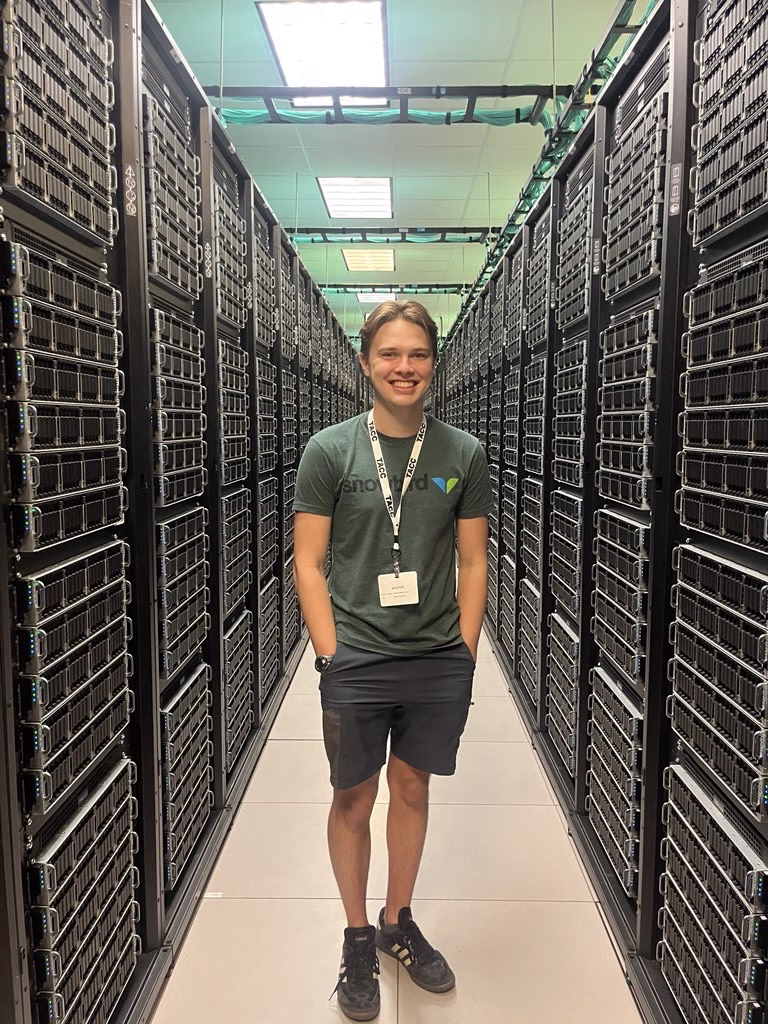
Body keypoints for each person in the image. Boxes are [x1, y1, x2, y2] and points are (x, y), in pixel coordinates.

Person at [293, 299, 492, 1021]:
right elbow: (308, 563)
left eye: (416, 355)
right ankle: (355, 936)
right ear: (365, 361)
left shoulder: (462, 453)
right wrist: (329, 653)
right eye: (390, 354)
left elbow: (473, 561)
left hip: (437, 655)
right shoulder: (330, 451)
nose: (403, 368)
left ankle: (397, 920)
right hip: (357, 656)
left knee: (412, 790)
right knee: (354, 797)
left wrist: (463, 652)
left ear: (433, 363)